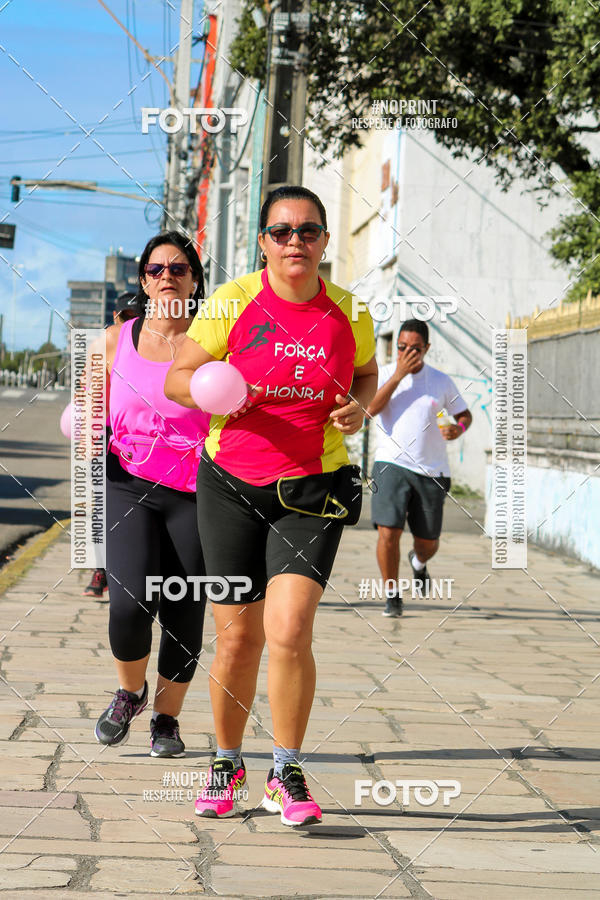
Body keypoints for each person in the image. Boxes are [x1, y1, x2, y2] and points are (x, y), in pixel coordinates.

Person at [165, 185, 377, 826]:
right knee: (235, 641)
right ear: (263, 241)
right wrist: (218, 393)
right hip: (230, 484)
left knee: (288, 631)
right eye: (281, 232)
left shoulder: (348, 310)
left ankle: (286, 771)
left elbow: (365, 374)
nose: (295, 242)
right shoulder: (232, 303)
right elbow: (179, 380)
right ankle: (227, 762)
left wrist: (359, 405)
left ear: (324, 242)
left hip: (313, 486)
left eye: (308, 231)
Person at [93, 232, 210, 757]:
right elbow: (88, 407)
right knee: (130, 603)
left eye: (180, 268)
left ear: (194, 280)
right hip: (129, 484)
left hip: (198, 491)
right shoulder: (113, 340)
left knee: (184, 609)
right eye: (157, 268)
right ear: (143, 280)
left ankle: (166, 719)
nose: (168, 275)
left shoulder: (214, 341)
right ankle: (129, 690)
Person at [367, 319, 472, 617]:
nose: (407, 352)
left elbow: (464, 414)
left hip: (432, 471)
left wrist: (459, 429)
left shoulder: (440, 381)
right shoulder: (385, 374)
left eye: (414, 348)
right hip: (391, 464)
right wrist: (398, 376)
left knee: (428, 542)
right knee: (388, 532)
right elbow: (369, 409)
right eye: (401, 347)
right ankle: (392, 595)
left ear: (426, 348)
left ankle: (419, 562)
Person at [83, 292, 145, 599]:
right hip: (107, 434)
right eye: (127, 316)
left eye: (136, 315)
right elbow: (88, 394)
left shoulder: (148, 344)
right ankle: (102, 572)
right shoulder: (107, 345)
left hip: (136, 439)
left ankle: (118, 573)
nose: (130, 322)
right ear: (117, 317)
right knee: (104, 508)